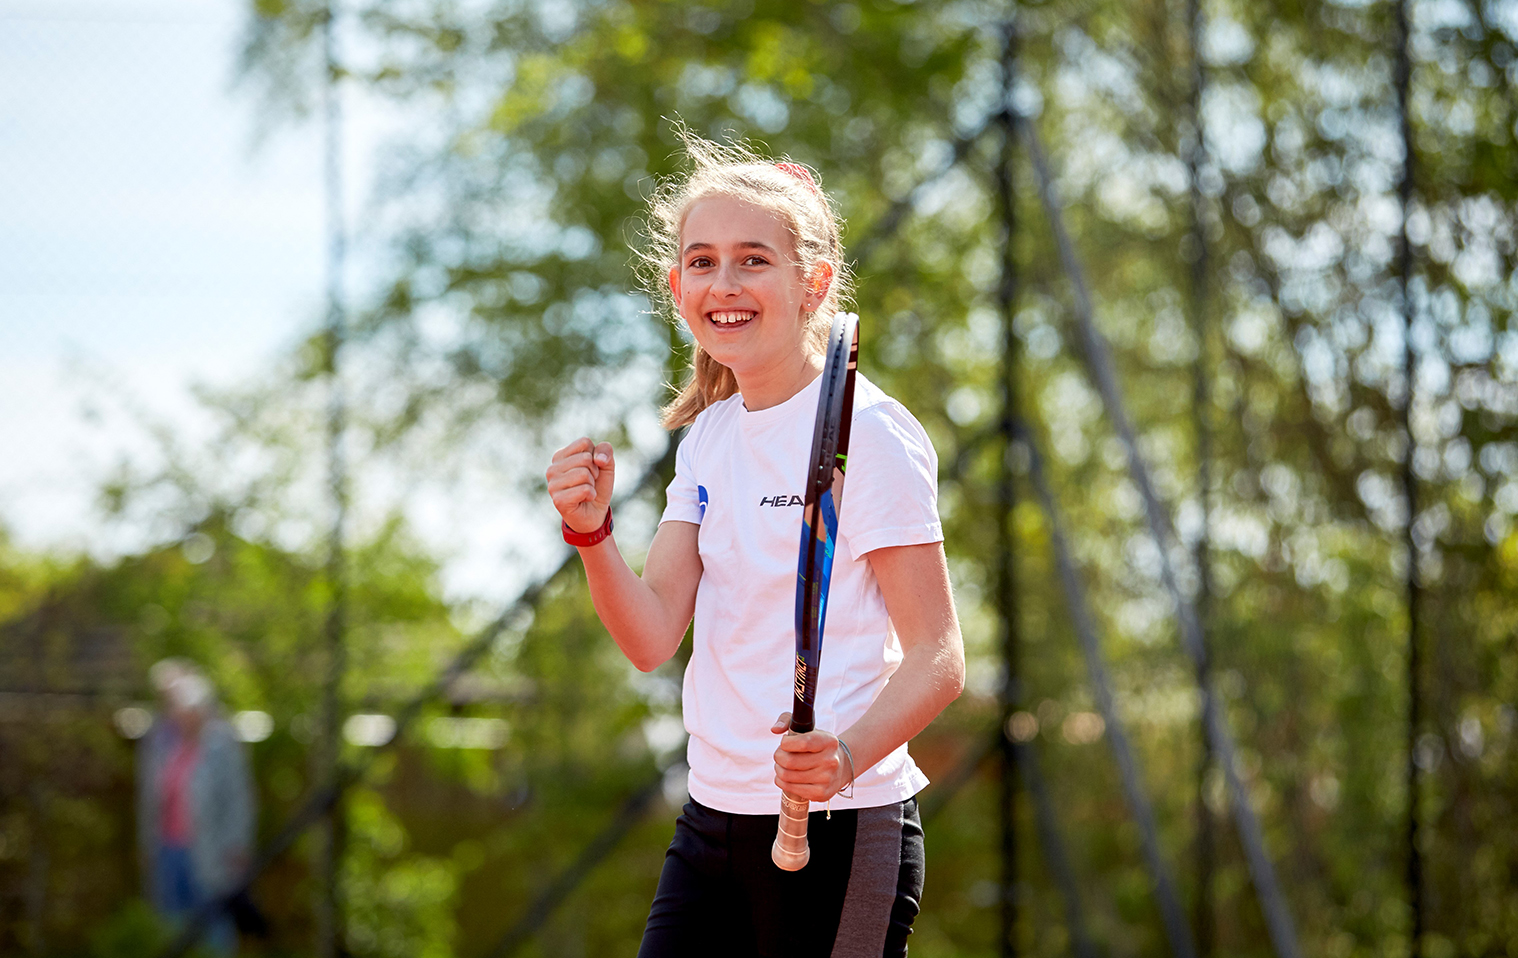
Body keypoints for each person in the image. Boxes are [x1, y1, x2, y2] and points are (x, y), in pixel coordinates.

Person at [545, 133, 964, 958]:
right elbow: (651, 635)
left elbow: (939, 657)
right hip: (712, 823)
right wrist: (590, 534)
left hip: (845, 833)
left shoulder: (870, 432)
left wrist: (842, 758)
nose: (724, 285)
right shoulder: (708, 438)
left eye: (752, 261)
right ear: (677, 287)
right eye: (701, 262)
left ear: (812, 283)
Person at [136, 662, 254, 954]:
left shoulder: (222, 743)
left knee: (215, 925)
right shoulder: (162, 743)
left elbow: (240, 798)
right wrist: (146, 844)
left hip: (211, 852)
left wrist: (237, 845)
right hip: (168, 850)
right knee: (171, 926)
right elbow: (149, 800)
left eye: (187, 708)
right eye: (175, 707)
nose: (181, 715)